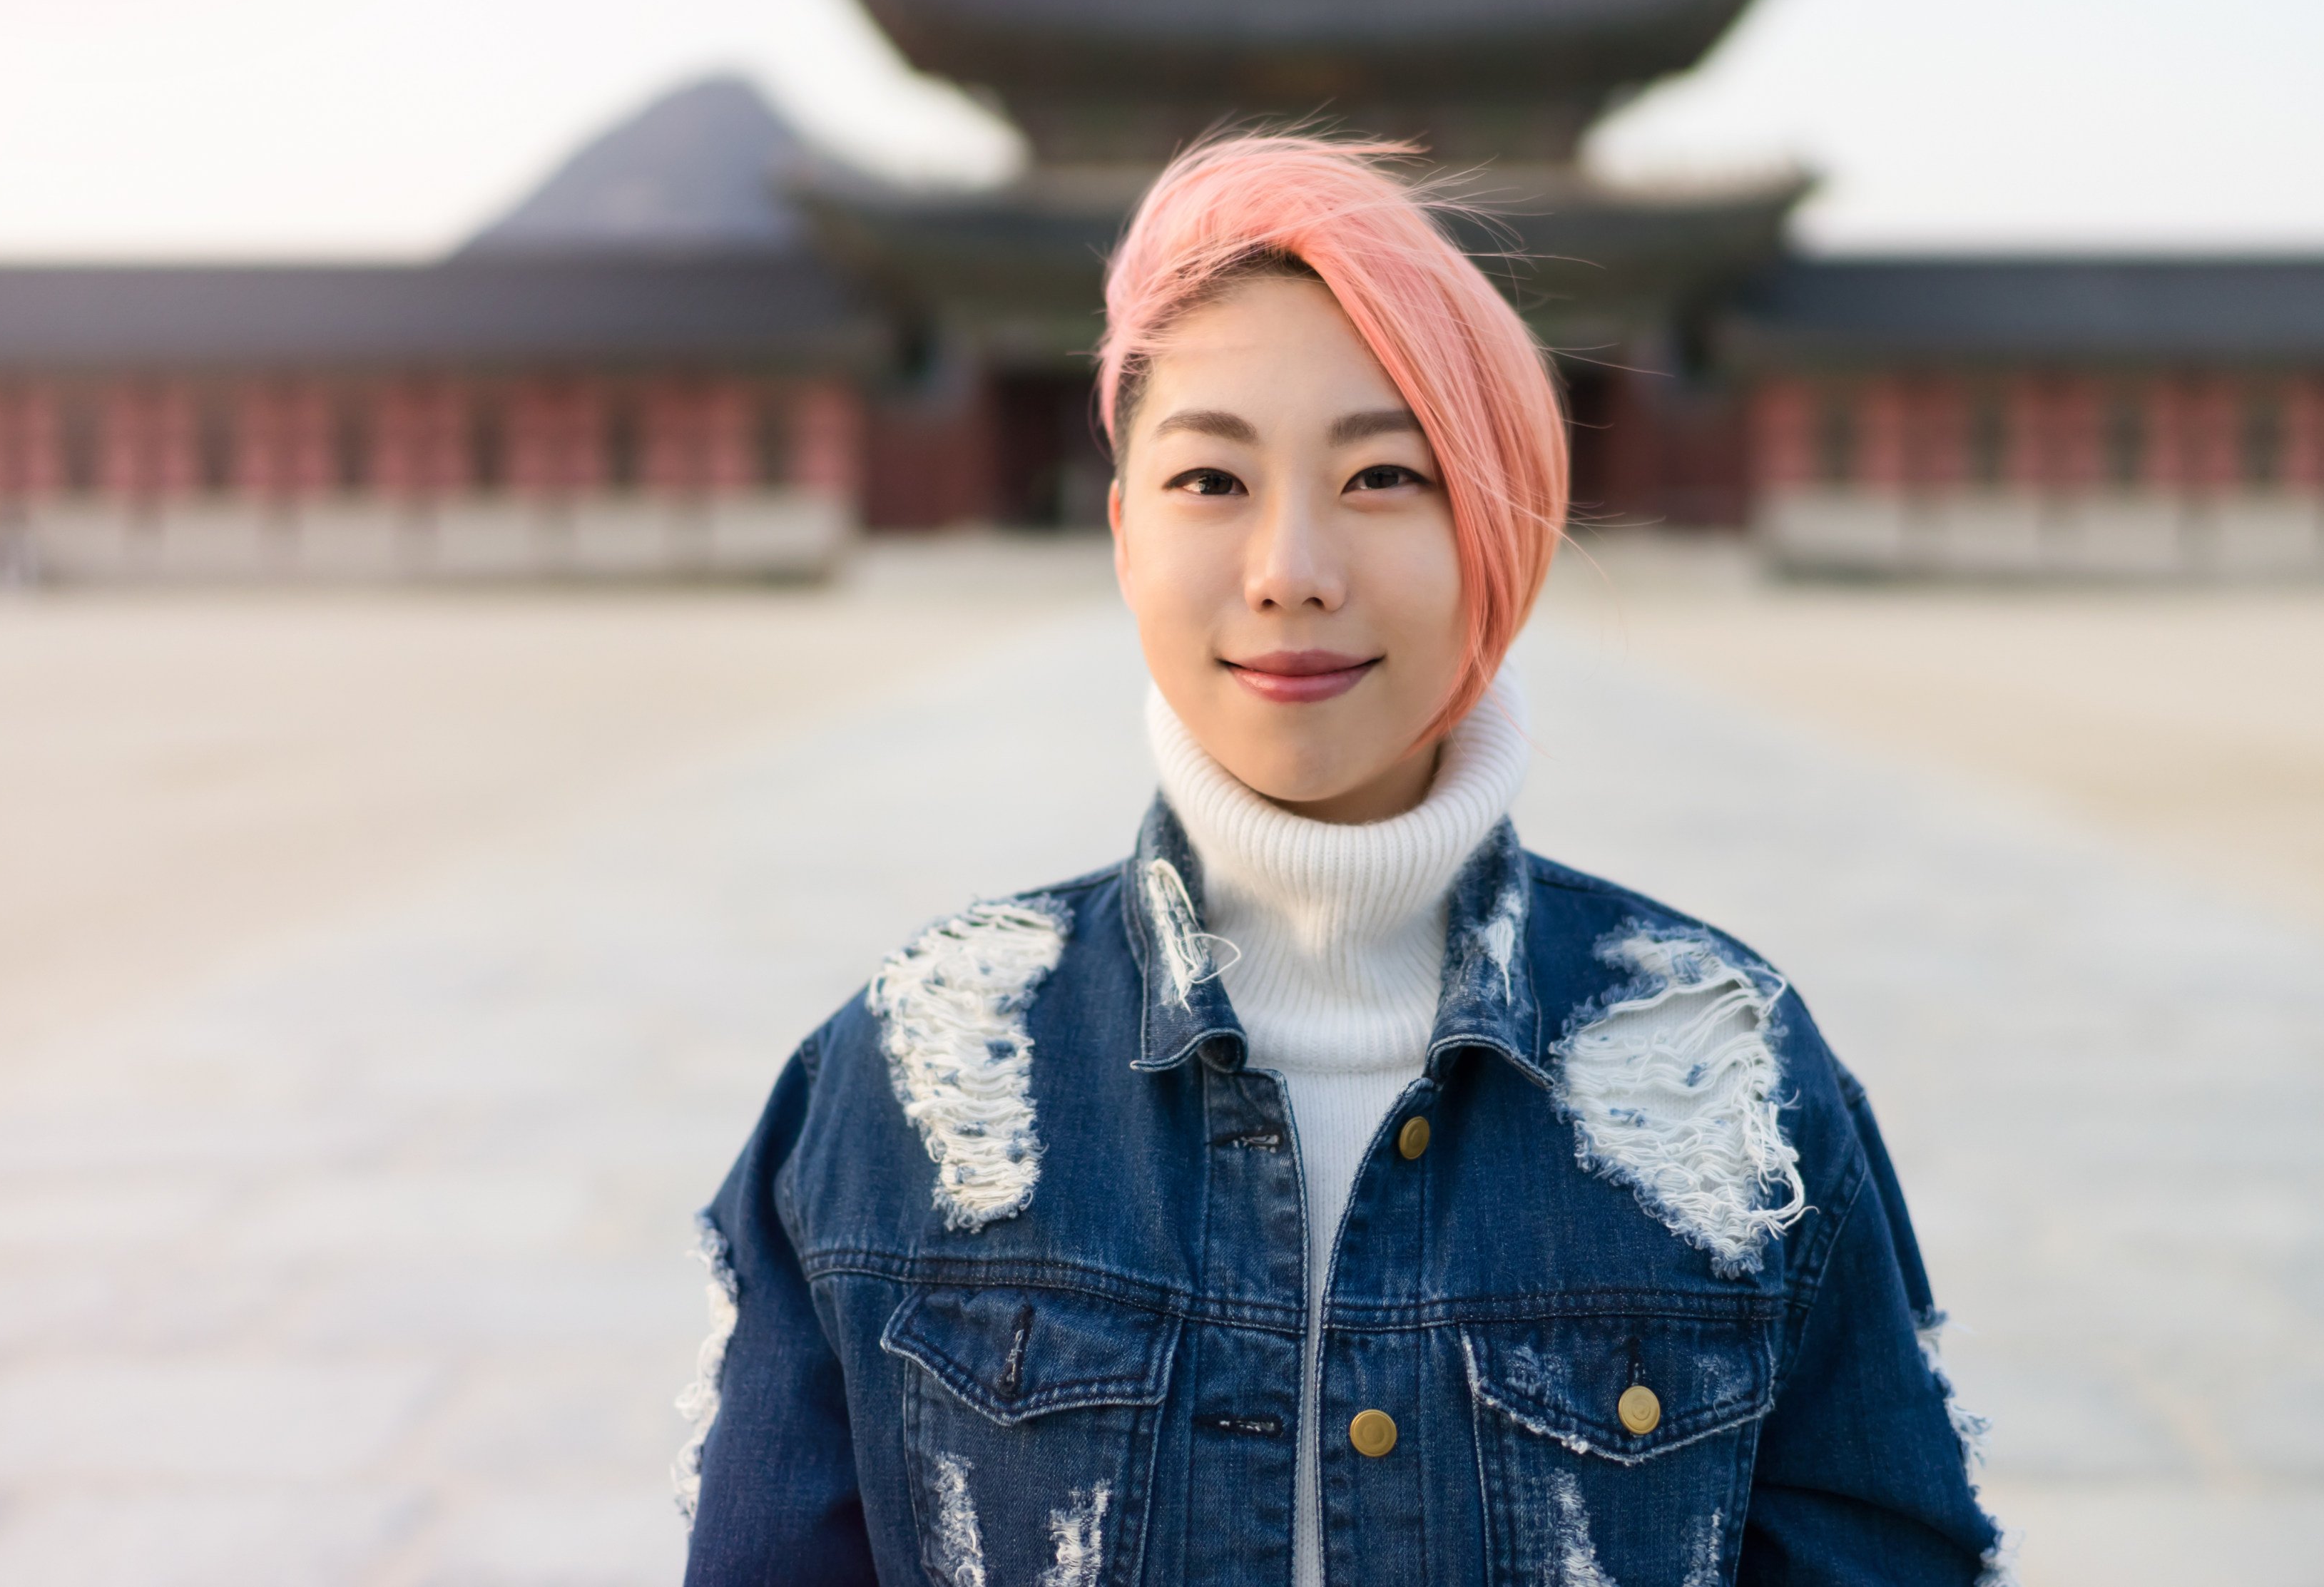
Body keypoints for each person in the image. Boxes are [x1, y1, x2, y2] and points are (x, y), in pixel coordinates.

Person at [677, 136, 2007, 1586]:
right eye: (1208, 480)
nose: (1289, 566)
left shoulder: (1726, 1070)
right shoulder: (907, 1077)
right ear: (1123, 535)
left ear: (1496, 528)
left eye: (1382, 473)